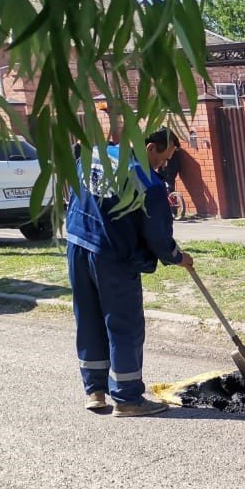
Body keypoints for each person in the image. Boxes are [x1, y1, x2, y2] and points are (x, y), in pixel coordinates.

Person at [66, 128, 194, 417]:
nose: (164, 165)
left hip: (77, 244)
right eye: (165, 158)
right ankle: (127, 399)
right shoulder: (147, 181)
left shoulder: (96, 155)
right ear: (150, 148)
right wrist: (178, 257)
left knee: (88, 318)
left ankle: (95, 391)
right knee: (124, 326)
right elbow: (158, 237)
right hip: (112, 257)